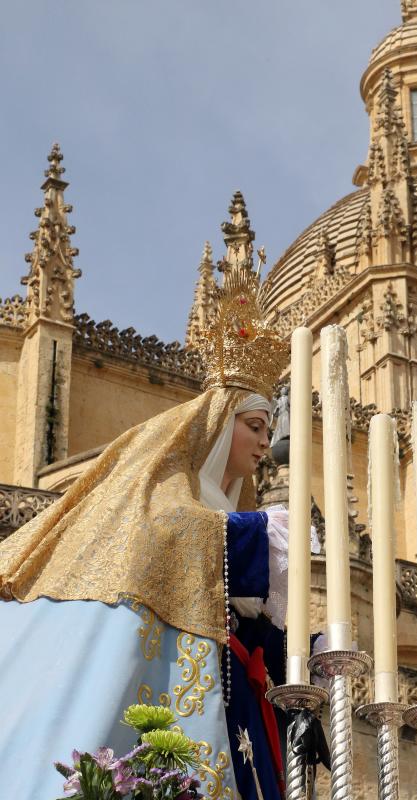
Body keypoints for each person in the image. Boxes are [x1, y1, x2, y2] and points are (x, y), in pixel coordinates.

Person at [0, 262, 298, 800]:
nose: (262, 446)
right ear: (216, 422)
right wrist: (254, 534)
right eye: (253, 428)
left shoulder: (223, 509)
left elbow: (247, 617)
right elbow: (163, 530)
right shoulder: (169, 488)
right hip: (177, 693)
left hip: (236, 699)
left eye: (268, 433)